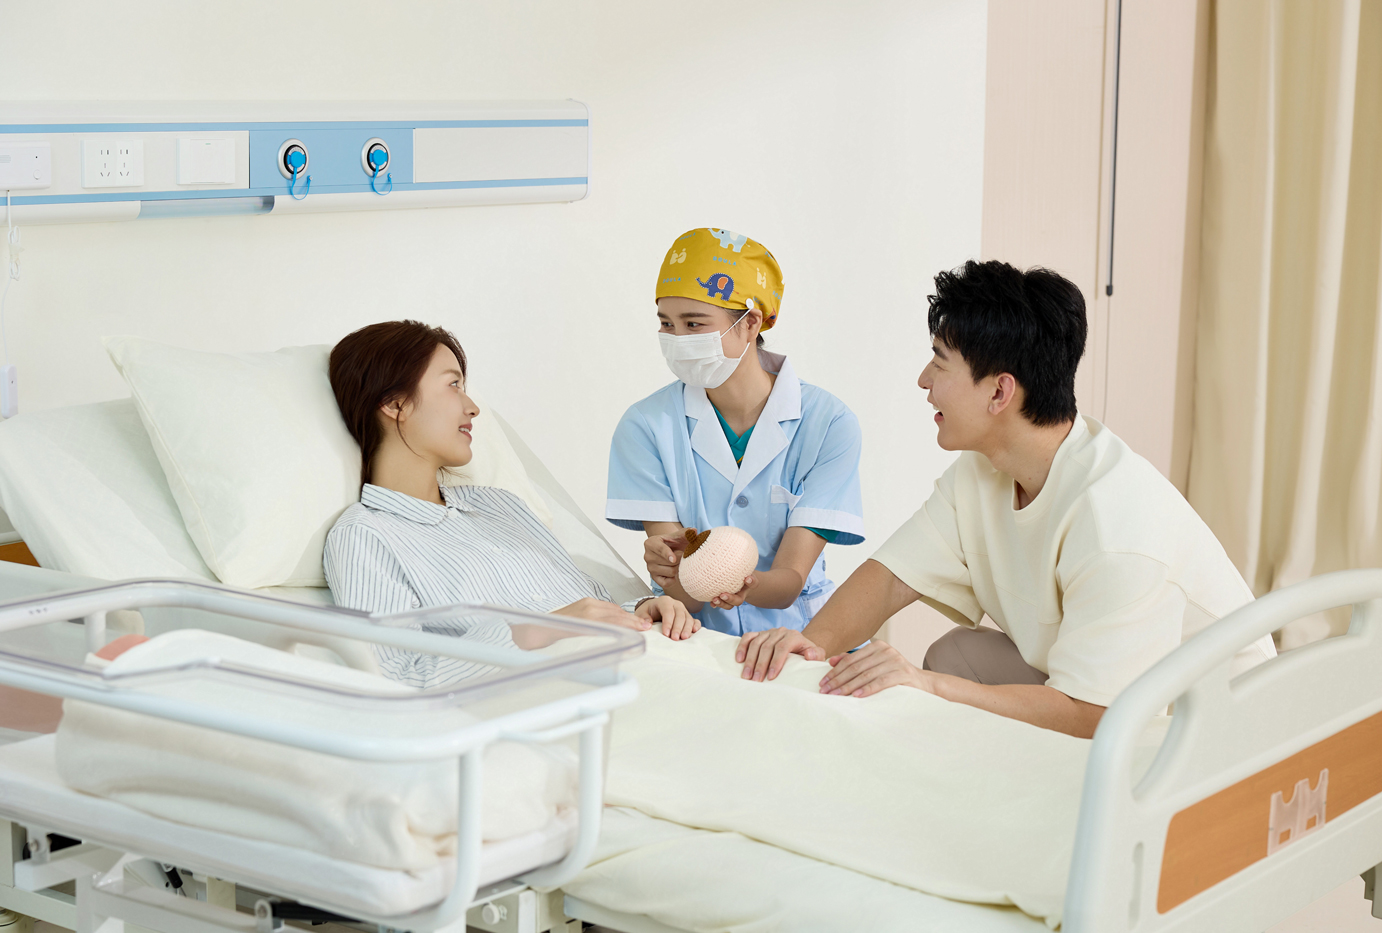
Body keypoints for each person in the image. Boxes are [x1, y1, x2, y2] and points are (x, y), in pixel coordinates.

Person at [737, 260, 1275, 737]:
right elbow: (891, 578)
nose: (923, 380)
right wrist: (809, 645)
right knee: (957, 655)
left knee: (942, 680)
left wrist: (927, 685)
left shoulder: (1116, 523)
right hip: (1109, 691)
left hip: (1204, 732)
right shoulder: (984, 470)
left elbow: (1094, 716)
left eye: (939, 362)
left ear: (999, 391)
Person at [323, 320, 698, 688]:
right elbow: (396, 677)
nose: (473, 407)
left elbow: (587, 605)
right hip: (575, 690)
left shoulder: (500, 505)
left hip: (661, 655)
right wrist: (538, 630)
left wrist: (642, 609)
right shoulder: (365, 535)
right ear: (395, 403)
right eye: (453, 385)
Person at [606, 228, 864, 636]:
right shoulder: (645, 426)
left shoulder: (828, 423)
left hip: (801, 634)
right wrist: (670, 568)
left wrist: (743, 582)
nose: (677, 340)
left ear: (751, 322)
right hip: (696, 636)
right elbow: (686, 596)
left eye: (694, 324)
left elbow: (789, 583)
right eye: (667, 324)